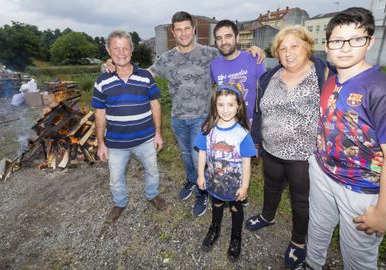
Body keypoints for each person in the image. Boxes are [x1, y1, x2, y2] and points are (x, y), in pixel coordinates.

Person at [105, 11, 265, 217]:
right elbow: (145, 75)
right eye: (178, 29)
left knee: (200, 155)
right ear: (173, 32)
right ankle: (192, 180)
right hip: (178, 118)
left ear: (194, 30)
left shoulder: (209, 53)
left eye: (187, 28)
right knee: (186, 155)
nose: (183, 33)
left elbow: (231, 54)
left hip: (202, 117)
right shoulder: (166, 59)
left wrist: (252, 49)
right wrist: (115, 65)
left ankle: (203, 191)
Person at [305, 7, 386, 270]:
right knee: (317, 228)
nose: (345, 48)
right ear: (327, 46)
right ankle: (311, 264)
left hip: (360, 189)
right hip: (323, 173)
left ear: (370, 41)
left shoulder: (383, 91)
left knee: (357, 256)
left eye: (355, 39)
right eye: (337, 41)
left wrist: (384, 214)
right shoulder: (331, 80)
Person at [245, 25, 335, 269]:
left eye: (294, 46)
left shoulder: (325, 74)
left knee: (301, 200)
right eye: (282, 48)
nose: (288, 52)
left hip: (303, 156)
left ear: (307, 46)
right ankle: (267, 216)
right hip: (271, 149)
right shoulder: (269, 77)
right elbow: (258, 111)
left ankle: (298, 241)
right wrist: (256, 141)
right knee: (271, 186)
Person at [92, 30, 167, 224]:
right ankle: (120, 203)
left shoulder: (146, 77)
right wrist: (101, 143)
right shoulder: (102, 81)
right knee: (116, 179)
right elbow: (99, 114)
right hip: (116, 143)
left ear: (132, 51)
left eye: (125, 48)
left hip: (145, 139)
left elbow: (155, 105)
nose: (121, 52)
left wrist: (158, 133)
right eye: (116, 48)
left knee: (152, 171)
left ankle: (152, 195)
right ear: (109, 51)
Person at [194, 85, 256, 261]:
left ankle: (236, 237)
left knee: (236, 208)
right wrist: (200, 174)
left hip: (235, 184)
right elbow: (203, 153)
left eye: (230, 105)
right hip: (214, 180)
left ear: (239, 106)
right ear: (214, 106)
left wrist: (244, 186)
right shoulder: (208, 128)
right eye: (221, 105)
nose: (226, 110)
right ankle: (215, 228)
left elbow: (246, 162)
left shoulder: (242, 133)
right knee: (217, 203)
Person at [210, 19, 266, 127]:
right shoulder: (214, 65)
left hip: (253, 126)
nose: (223, 42)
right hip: (228, 126)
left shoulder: (254, 59)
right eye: (219, 38)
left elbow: (267, 91)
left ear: (237, 37)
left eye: (228, 36)